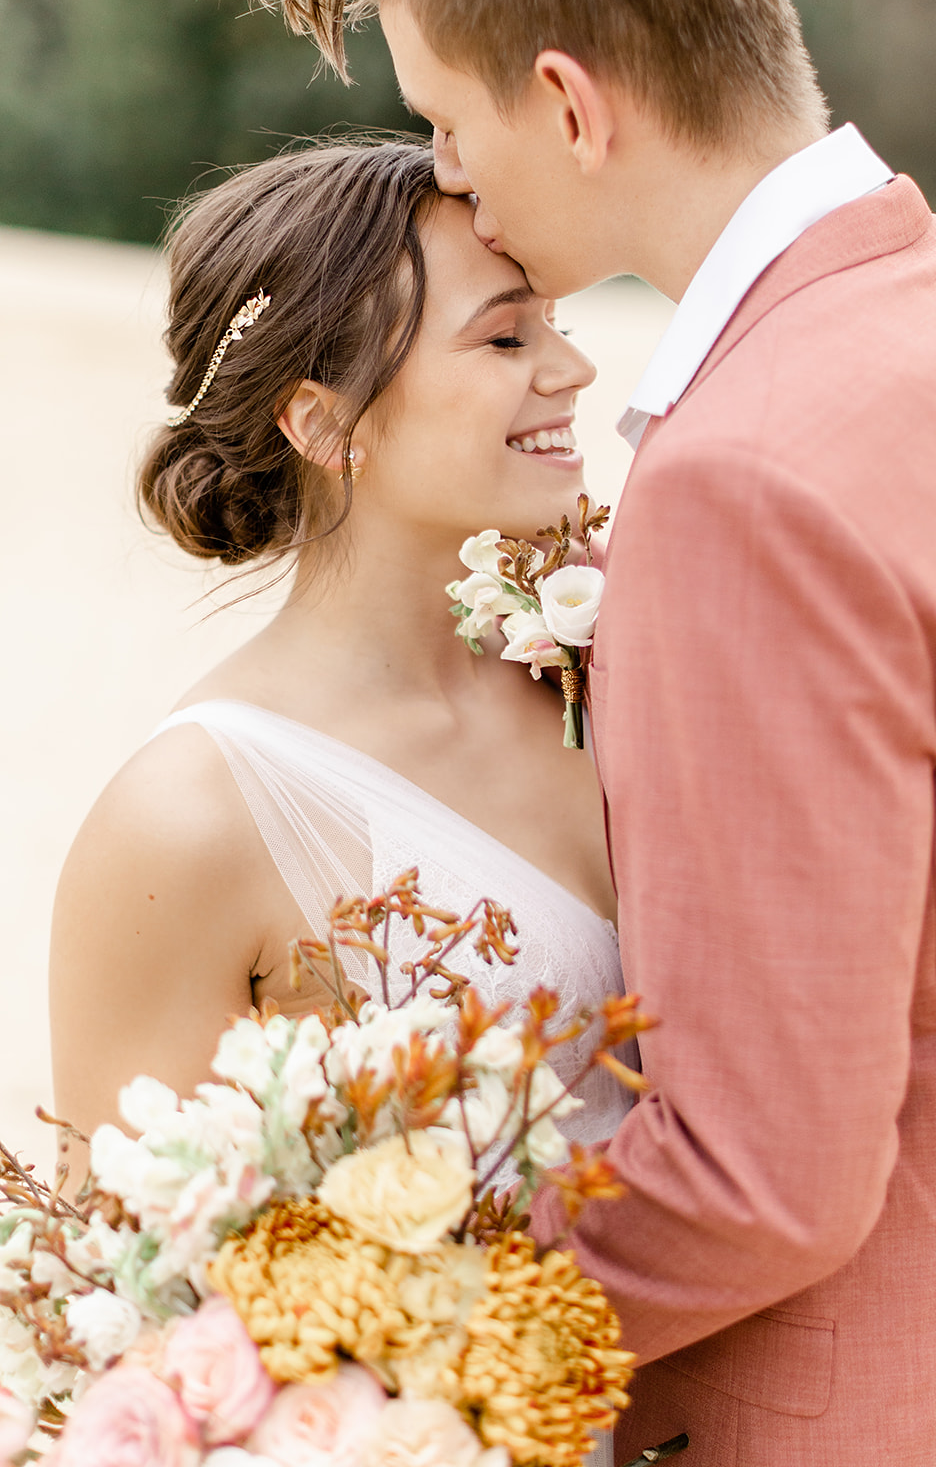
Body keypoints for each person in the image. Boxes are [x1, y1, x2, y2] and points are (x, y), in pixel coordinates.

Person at [247, 0, 936, 1462]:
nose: (449, 177)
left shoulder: (738, 475)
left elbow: (763, 1180)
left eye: (443, 122)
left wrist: (354, 1369)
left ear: (564, 101)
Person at [49, 139, 631, 1201]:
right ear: (321, 421)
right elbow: (126, 1278)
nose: (570, 370)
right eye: (505, 336)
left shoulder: (609, 671)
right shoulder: (186, 821)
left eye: (555, 324)